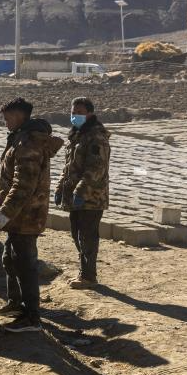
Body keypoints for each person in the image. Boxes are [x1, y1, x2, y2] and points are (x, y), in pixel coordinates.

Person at [0, 98, 63, 333]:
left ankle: (31, 318)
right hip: (19, 216)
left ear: (20, 116)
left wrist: (5, 211)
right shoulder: (20, 138)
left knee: (24, 265)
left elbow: (24, 184)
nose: (5, 122)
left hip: (26, 215)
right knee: (10, 259)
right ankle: (16, 303)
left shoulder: (28, 143)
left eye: (8, 118)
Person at [55, 97, 111, 289]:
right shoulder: (77, 135)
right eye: (73, 112)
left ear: (90, 114)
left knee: (87, 236)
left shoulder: (96, 137)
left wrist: (80, 191)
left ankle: (88, 276)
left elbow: (96, 168)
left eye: (79, 112)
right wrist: (60, 187)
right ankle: (84, 272)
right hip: (75, 196)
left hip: (91, 196)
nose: (75, 116)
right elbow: (69, 167)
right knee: (77, 234)